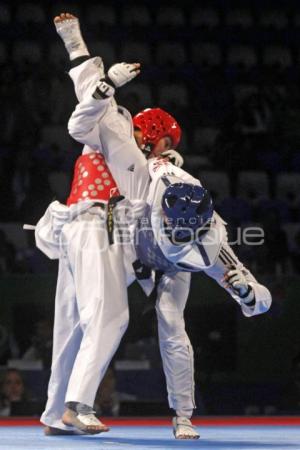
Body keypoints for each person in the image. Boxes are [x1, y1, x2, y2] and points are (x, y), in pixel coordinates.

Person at [37, 13, 271, 440]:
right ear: (152, 134)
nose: (167, 150)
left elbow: (253, 293)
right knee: (108, 314)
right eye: (167, 144)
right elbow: (83, 107)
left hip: (134, 242)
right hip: (105, 231)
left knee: (91, 325)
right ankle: (75, 405)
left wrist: (247, 291)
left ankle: (60, 414)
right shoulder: (118, 139)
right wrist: (85, 55)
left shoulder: (176, 193)